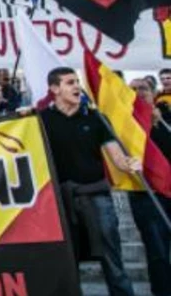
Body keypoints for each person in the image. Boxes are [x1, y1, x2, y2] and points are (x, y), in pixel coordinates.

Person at [40, 67, 140, 296]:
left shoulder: (96, 118)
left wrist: (129, 164)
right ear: (54, 89)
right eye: (69, 82)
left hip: (97, 197)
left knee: (112, 260)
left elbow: (117, 157)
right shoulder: (41, 120)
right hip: (60, 201)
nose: (77, 86)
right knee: (67, 261)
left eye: (77, 81)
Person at [127, 78, 171, 296]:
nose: (137, 92)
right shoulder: (124, 123)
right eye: (132, 89)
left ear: (153, 92)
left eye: (142, 88)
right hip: (145, 195)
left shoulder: (167, 118)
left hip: (169, 190)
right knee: (157, 250)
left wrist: (160, 124)